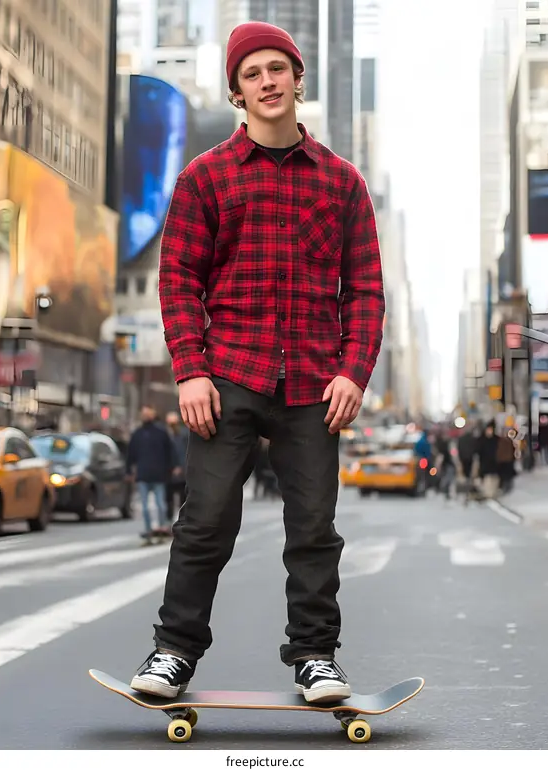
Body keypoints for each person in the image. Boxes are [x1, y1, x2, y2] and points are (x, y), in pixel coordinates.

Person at [130, 21, 385, 704]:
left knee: (313, 530)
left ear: (298, 79)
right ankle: (173, 652)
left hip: (312, 382)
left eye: (279, 68)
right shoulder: (203, 179)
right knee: (207, 519)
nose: (269, 81)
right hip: (228, 374)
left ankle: (316, 659)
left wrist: (352, 371)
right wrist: (189, 369)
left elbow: (364, 289)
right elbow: (178, 277)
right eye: (253, 73)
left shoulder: (343, 184)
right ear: (237, 93)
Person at [126, 406, 181, 540]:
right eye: (144, 413)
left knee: (161, 504)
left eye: (148, 413)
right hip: (143, 474)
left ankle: (162, 527)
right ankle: (149, 529)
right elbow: (130, 454)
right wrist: (128, 471)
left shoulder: (161, 433)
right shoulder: (137, 434)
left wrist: (174, 465)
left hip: (158, 474)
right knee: (145, 507)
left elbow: (170, 450)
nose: (145, 416)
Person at [164, 411, 189, 528]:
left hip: (181, 472)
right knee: (168, 499)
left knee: (182, 498)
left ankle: (182, 522)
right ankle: (169, 521)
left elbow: (185, 452)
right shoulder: (166, 435)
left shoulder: (184, 434)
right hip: (168, 472)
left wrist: (181, 467)